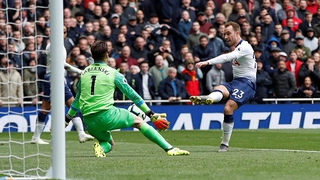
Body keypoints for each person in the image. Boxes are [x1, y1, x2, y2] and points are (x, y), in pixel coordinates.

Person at [65, 40, 189, 157]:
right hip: (106, 115)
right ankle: (169, 148)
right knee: (138, 121)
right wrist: (150, 114)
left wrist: (67, 119)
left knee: (109, 144)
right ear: (107, 55)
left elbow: (76, 100)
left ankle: (101, 148)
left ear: (92, 56)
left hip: (89, 121)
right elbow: (133, 95)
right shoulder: (113, 73)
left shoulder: (84, 73)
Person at [189, 22, 257, 152]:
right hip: (236, 81)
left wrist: (207, 62)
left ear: (237, 33)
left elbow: (228, 57)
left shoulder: (245, 46)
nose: (225, 36)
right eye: (224, 34)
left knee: (228, 108)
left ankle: (224, 143)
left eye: (228, 33)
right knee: (219, 88)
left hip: (247, 83)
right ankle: (209, 98)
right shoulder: (238, 48)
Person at [31, 43, 94, 145]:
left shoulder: (60, 45)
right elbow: (62, 64)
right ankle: (35, 137)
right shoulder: (53, 45)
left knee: (72, 105)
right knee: (45, 109)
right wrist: (79, 71)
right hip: (52, 78)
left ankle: (81, 133)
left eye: (64, 31)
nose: (63, 33)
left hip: (59, 79)